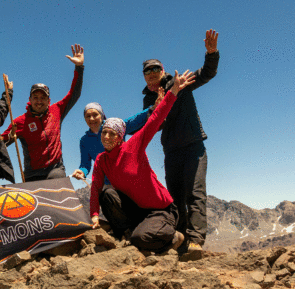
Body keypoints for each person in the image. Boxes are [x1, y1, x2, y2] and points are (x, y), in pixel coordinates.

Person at [90, 70, 195, 253]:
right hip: (138, 210)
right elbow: (95, 187)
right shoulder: (102, 159)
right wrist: (94, 215)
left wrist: (174, 91)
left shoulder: (134, 146)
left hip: (161, 209)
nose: (106, 136)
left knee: (141, 239)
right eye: (104, 132)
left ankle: (173, 238)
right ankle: (127, 233)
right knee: (107, 194)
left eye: (111, 133)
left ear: (120, 137)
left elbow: (155, 120)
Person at [141, 29, 219, 254]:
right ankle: (181, 240)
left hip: (194, 147)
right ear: (145, 78)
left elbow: (206, 74)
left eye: (156, 69)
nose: (152, 74)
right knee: (175, 199)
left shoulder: (180, 82)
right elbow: (153, 127)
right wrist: (157, 108)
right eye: (148, 72)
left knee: (195, 192)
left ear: (162, 70)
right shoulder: (148, 98)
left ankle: (195, 241)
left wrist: (211, 53)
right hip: (172, 152)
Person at [1, 44, 84, 182]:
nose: (39, 101)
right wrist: (9, 137)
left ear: (49, 100)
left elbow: (74, 94)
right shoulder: (20, 122)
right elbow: (1, 143)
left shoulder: (56, 110)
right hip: (31, 174)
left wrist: (79, 68)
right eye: (36, 97)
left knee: (55, 180)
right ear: (30, 99)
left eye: (43, 98)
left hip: (55, 169)